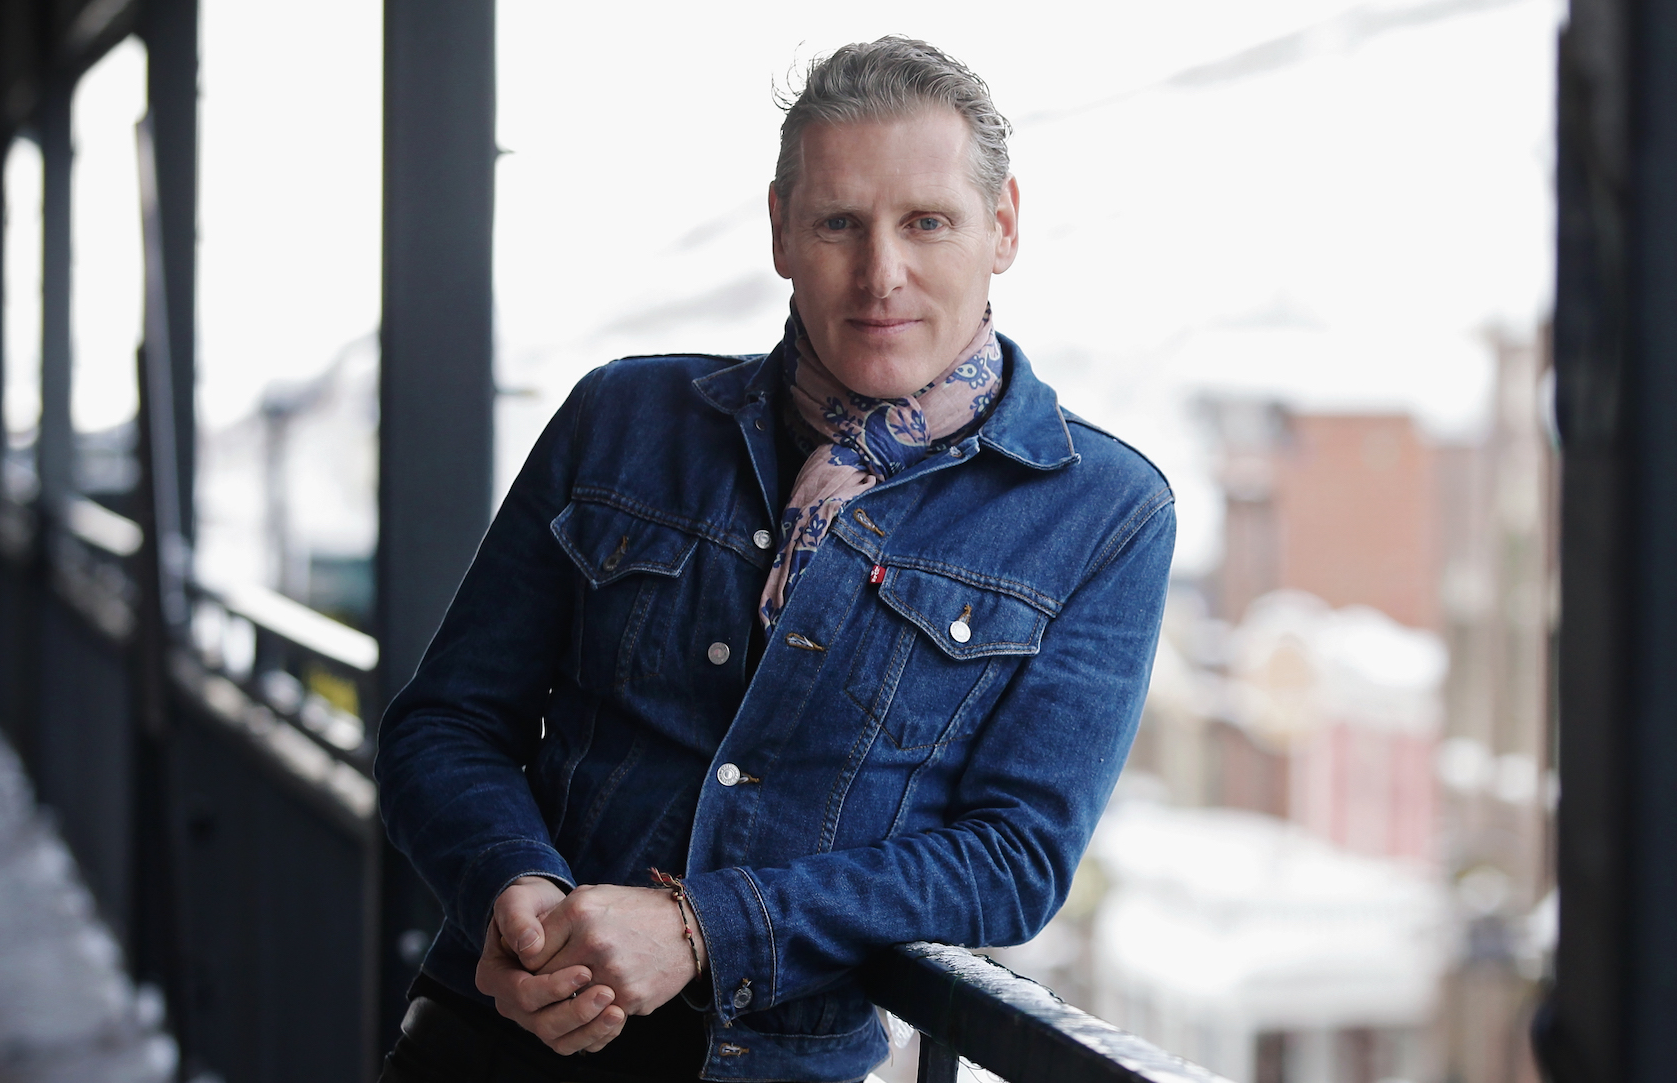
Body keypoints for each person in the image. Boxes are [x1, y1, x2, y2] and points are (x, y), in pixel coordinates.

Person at [376, 36, 1175, 1083]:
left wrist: (702, 926)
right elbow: (445, 725)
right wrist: (511, 891)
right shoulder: (622, 419)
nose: (880, 273)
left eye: (925, 222)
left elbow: (1015, 859)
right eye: (839, 222)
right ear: (780, 231)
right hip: (497, 1040)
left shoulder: (1101, 512)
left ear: (1003, 226)